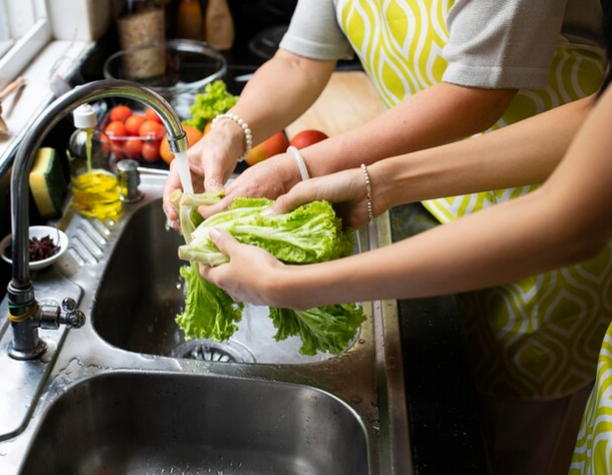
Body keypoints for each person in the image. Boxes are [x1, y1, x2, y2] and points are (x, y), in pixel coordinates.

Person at [163, 1, 609, 474]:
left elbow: (565, 213)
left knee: (516, 445)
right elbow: (297, 59)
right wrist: (232, 131)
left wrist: (291, 278)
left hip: (541, 245)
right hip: (436, 196)